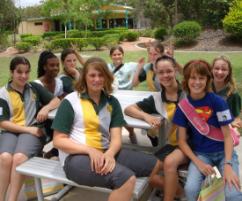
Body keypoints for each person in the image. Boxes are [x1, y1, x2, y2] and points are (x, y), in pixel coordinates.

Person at [52, 57, 160, 201]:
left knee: (158, 164)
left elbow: (116, 138)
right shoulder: (71, 101)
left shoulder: (112, 102)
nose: (97, 79)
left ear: (107, 77)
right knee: (126, 179)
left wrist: (109, 154)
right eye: (92, 75)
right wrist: (90, 150)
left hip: (105, 151)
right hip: (75, 158)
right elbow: (58, 141)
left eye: (101, 75)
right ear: (84, 77)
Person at [173, 59, 242, 201]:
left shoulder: (218, 102)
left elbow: (227, 137)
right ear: (186, 79)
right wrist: (198, 163)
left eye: (201, 78)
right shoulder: (182, 107)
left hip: (224, 153)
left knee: (233, 194)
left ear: (207, 80)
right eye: (193, 77)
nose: (197, 82)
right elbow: (181, 141)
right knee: (190, 190)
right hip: (201, 154)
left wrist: (228, 165)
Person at [125, 55, 187, 201]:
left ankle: (171, 196)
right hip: (172, 145)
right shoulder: (158, 98)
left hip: (192, 144)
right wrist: (146, 116)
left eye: (169, 71)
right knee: (151, 178)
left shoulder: (188, 92)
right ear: (156, 74)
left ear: (176, 71)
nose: (165, 75)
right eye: (161, 72)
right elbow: (129, 109)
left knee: (168, 164)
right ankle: (181, 193)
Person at [0, 56, 60, 201]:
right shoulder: (3, 93)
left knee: (19, 158)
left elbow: (56, 100)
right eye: (19, 72)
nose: (24, 76)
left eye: (27, 72)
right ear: (11, 72)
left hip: (33, 131)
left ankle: (11, 199)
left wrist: (46, 108)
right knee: (5, 158)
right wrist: (28, 130)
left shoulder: (34, 87)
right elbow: (2, 123)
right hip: (13, 131)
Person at [108, 45, 144, 144]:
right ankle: (111, 139)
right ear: (111, 56)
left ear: (123, 55)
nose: (117, 56)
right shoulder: (107, 67)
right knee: (111, 119)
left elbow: (149, 65)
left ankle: (131, 133)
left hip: (128, 98)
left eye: (119, 54)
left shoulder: (130, 66)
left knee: (127, 120)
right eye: (114, 54)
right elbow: (89, 65)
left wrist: (140, 65)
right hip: (113, 98)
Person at [211, 55, 242, 129]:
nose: (219, 72)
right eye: (217, 68)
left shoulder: (233, 94)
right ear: (211, 69)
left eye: (224, 69)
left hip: (224, 133)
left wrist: (232, 123)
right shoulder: (205, 88)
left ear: (229, 72)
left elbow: (237, 119)